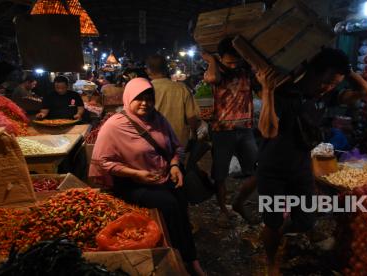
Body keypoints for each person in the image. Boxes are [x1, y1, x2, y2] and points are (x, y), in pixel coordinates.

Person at [256, 48, 367, 274]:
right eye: (326, 81)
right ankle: (270, 261)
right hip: (273, 169)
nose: (328, 87)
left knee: (307, 220)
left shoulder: (326, 96)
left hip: (301, 166)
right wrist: (267, 90)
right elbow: (268, 131)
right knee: (272, 221)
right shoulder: (284, 92)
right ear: (311, 72)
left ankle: (279, 233)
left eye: (334, 83)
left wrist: (347, 71)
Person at [88, 78, 204, 276]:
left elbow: (176, 147)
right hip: (132, 183)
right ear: (128, 98)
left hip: (164, 176)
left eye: (149, 98)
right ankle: (178, 259)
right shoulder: (114, 125)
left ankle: (191, 258)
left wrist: (175, 165)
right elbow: (102, 161)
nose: (145, 103)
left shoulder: (158, 118)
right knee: (169, 205)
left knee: (181, 207)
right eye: (138, 98)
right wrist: (136, 174)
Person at [201, 37, 258, 223]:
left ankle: (239, 203)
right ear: (220, 58)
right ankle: (223, 211)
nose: (233, 65)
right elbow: (211, 78)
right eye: (229, 62)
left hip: (246, 129)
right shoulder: (217, 71)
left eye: (236, 61)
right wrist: (212, 61)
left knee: (257, 170)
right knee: (220, 175)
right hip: (222, 130)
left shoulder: (246, 71)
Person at [146, 54, 201, 151]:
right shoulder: (181, 88)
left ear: (149, 70)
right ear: (166, 68)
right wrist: (194, 136)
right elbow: (191, 117)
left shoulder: (145, 89)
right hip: (179, 142)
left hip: (153, 143)